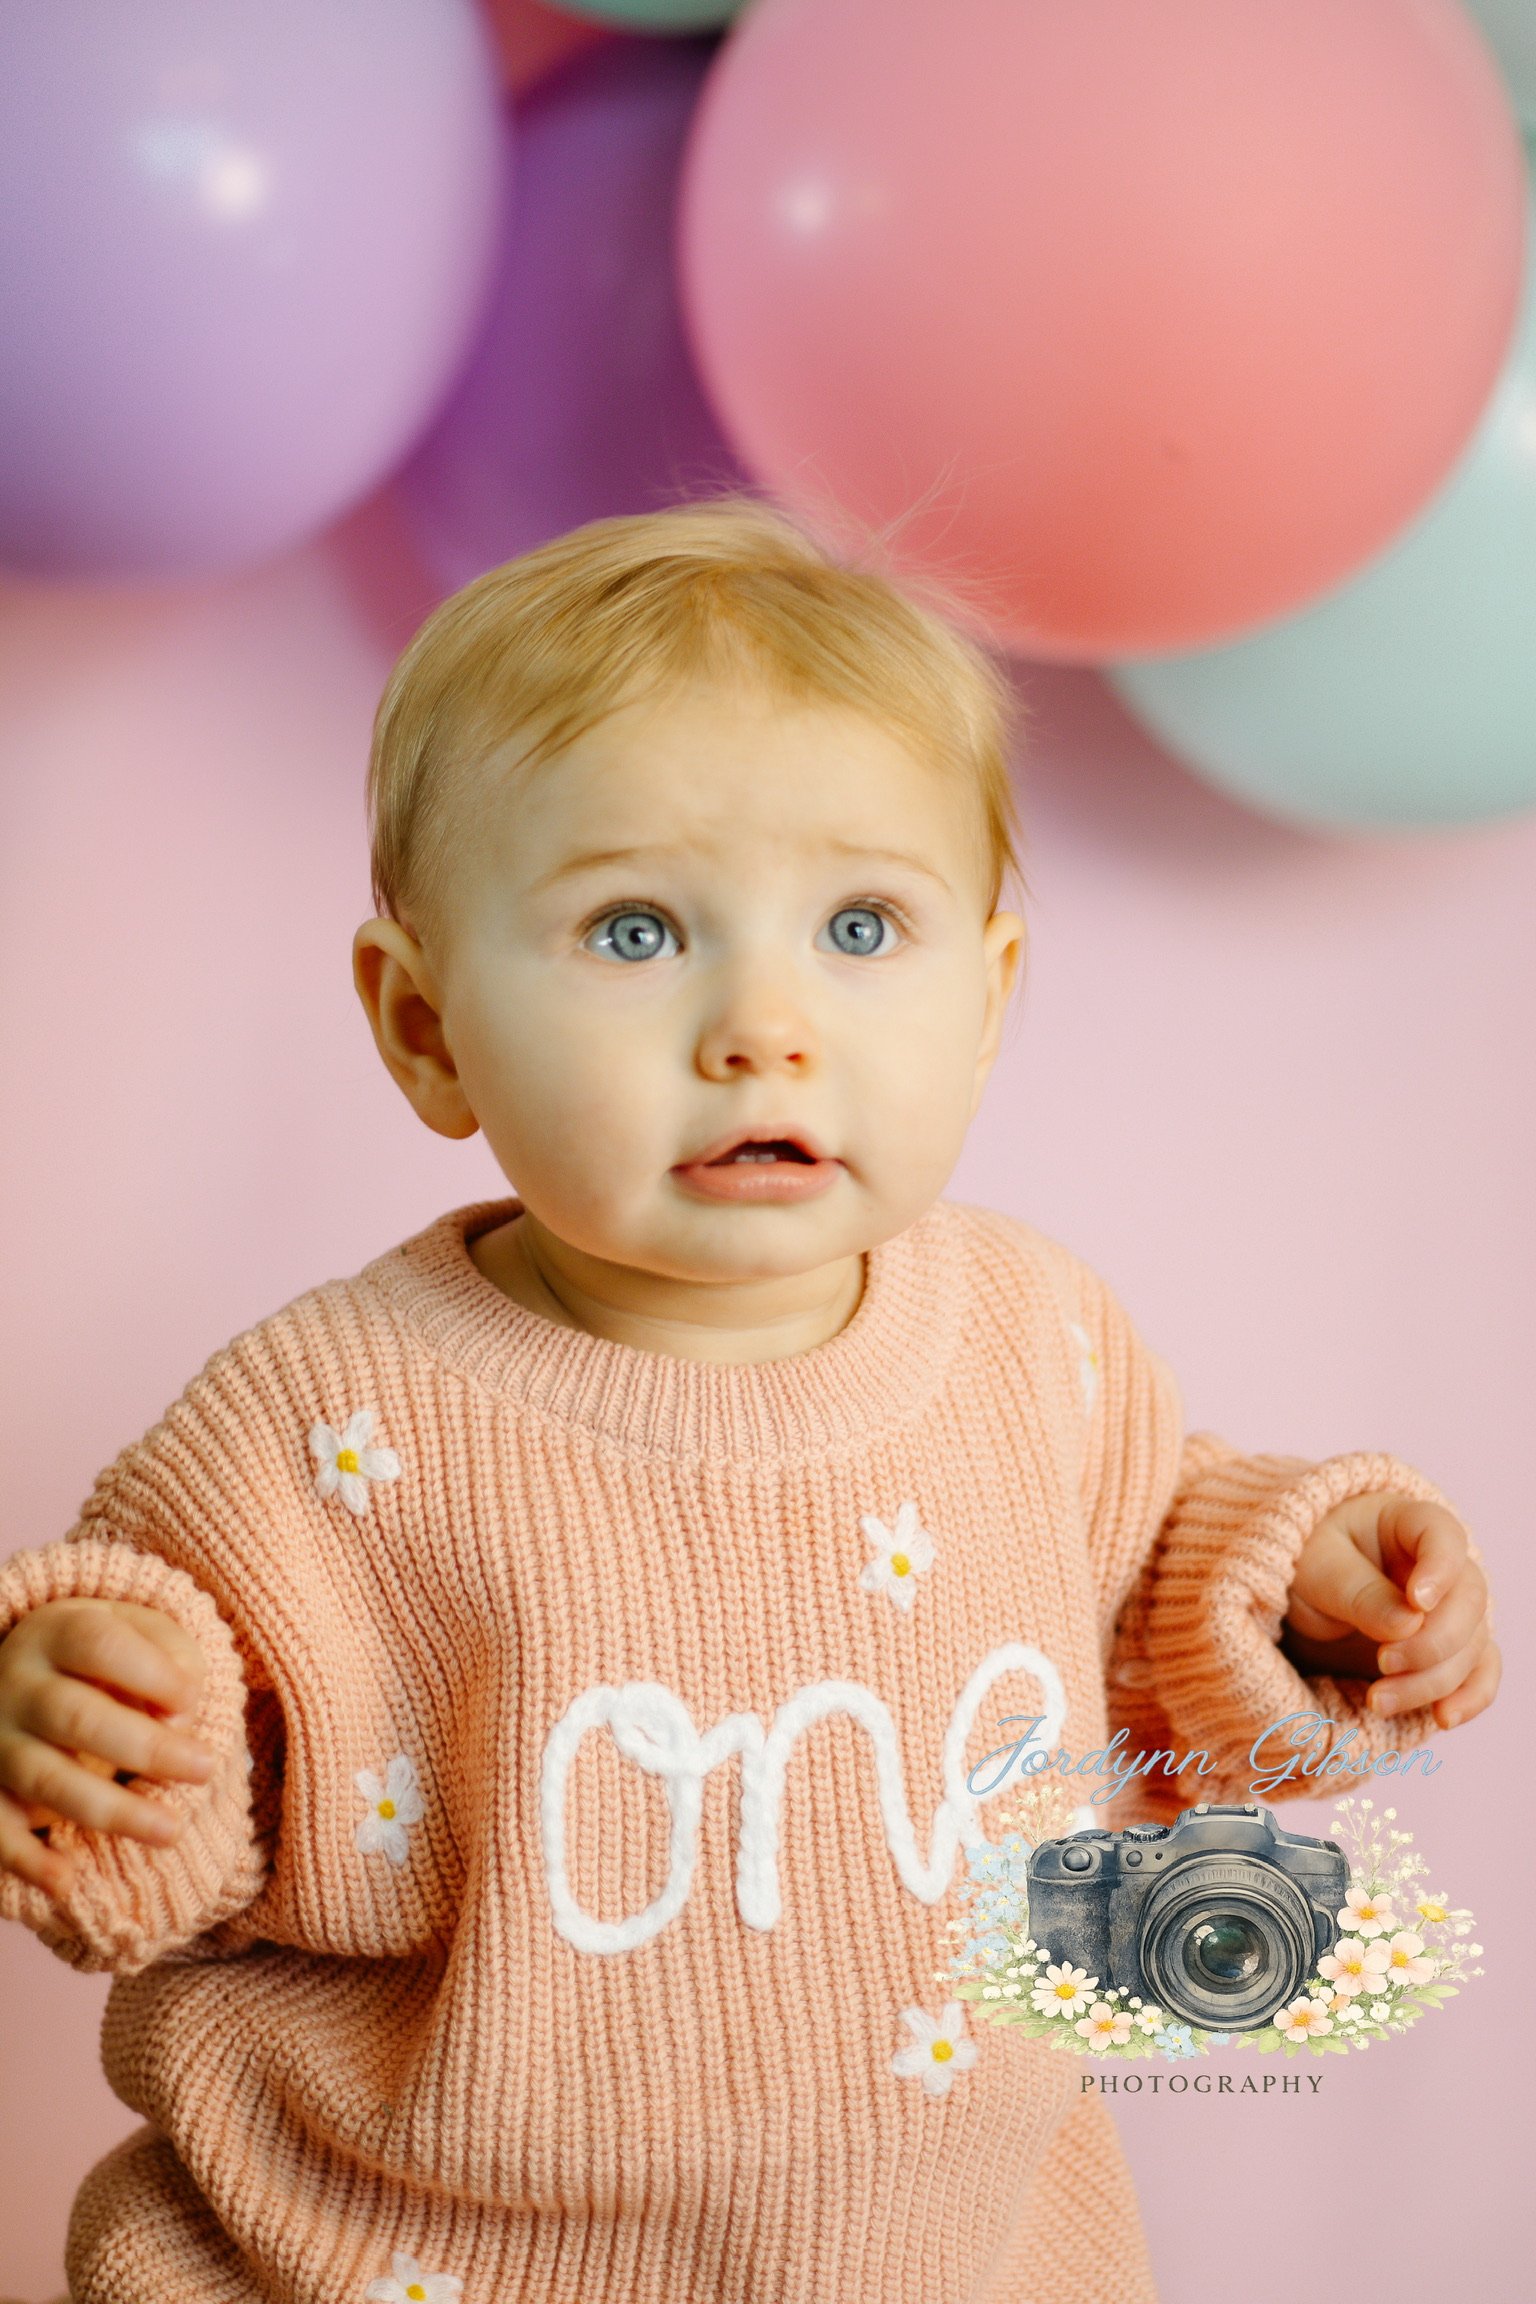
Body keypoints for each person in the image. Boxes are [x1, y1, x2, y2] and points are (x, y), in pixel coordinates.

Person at [0, 497, 1499, 2304]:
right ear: (426, 1030)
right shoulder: (322, 1436)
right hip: (402, 2265)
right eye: (636, 932)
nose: (764, 1025)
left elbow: (1160, 1604)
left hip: (952, 2263)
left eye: (863, 926)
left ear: (988, 1000)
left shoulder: (1036, 1345)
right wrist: (98, 1737)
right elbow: (151, 1847)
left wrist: (1305, 1601)